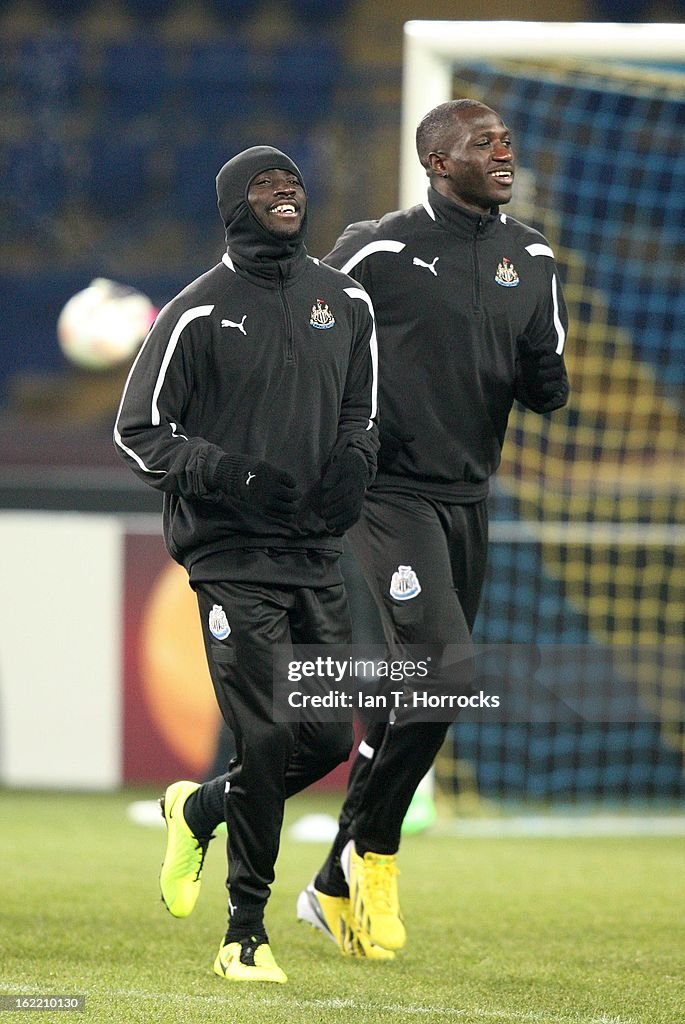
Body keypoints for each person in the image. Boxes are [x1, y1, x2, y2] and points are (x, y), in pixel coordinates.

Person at [152, 99, 570, 960]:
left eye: (505, 140)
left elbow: (540, 375)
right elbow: (292, 297)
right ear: (435, 159)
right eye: (481, 141)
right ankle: (368, 859)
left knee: (406, 692)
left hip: (468, 495)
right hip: (385, 494)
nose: (503, 150)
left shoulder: (531, 256)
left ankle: (250, 834)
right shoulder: (377, 247)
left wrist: (544, 376)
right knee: (445, 672)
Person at [114, 145, 379, 983]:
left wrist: (353, 470)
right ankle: (244, 934)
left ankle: (196, 809)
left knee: (328, 738)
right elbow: (140, 430)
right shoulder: (196, 312)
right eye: (265, 184)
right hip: (231, 555)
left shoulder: (346, 299)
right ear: (234, 205)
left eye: (293, 181)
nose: (285, 191)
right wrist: (224, 471)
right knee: (263, 736)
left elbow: (362, 413)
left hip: (314, 551)